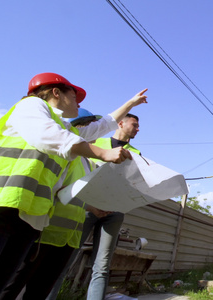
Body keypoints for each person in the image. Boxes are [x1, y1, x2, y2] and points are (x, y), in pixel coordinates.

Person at [0, 72, 147, 300]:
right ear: (56, 92)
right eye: (75, 97)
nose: (78, 103)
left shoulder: (67, 129)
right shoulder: (31, 105)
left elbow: (101, 126)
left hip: (29, 219)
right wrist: (104, 152)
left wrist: (130, 103)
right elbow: (50, 136)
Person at [0, 109, 107, 300]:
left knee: (39, 292)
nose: (96, 133)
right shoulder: (61, 153)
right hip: (44, 234)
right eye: (91, 128)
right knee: (10, 288)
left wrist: (96, 205)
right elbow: (57, 187)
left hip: (68, 238)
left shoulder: (89, 164)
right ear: (77, 127)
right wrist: (90, 206)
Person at [84, 113, 142, 300]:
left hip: (114, 212)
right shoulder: (95, 142)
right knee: (64, 259)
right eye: (134, 124)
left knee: (101, 266)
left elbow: (133, 183)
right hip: (87, 206)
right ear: (121, 123)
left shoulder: (136, 154)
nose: (137, 129)